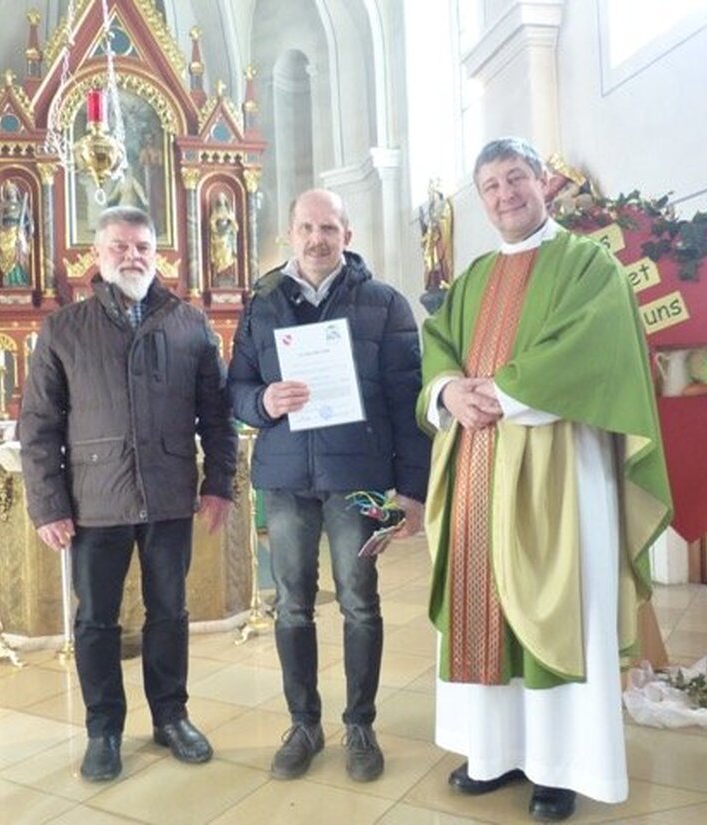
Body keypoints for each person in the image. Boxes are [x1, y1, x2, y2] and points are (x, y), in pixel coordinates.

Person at [417, 137, 672, 822]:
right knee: (484, 604)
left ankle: (561, 766)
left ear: (543, 183)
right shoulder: (471, 277)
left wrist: (500, 391)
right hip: (476, 461)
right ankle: (491, 751)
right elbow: (437, 343)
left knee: (556, 603)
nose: (504, 194)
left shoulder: (589, 263)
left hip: (560, 464)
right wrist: (448, 392)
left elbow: (595, 344)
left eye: (515, 178)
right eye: (490, 185)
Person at [20, 205, 237, 783]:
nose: (132, 256)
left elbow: (216, 418)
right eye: (119, 246)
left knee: (170, 611)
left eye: (142, 246)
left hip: (168, 495)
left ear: (156, 252)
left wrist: (219, 483)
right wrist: (48, 504)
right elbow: (37, 426)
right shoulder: (63, 329)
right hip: (94, 501)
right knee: (96, 620)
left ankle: (171, 716)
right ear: (98, 254)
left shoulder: (189, 323)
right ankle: (103, 729)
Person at [228, 189, 431, 784]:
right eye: (306, 228)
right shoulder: (261, 303)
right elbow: (236, 387)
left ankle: (360, 724)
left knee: (360, 602)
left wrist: (411, 493)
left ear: (347, 232)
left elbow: (408, 401)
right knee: (291, 604)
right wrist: (262, 401)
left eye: (329, 228)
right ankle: (304, 723)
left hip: (360, 481)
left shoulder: (385, 304)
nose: (317, 238)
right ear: (290, 234)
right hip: (287, 480)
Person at [0, 180, 33, 287]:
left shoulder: (21, 206)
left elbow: (30, 221)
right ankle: (9, 281)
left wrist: (26, 231)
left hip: (18, 233)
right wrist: (2, 231)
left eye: (12, 189)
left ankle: (21, 279)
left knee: (19, 254)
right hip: (6, 234)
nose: (11, 192)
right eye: (8, 190)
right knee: (8, 254)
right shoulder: (3, 205)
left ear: (16, 191)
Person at [208, 192, 239, 286]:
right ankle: (220, 273)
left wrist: (230, 220)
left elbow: (235, 226)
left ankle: (227, 273)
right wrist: (215, 225)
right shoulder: (216, 211)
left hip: (227, 235)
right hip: (218, 235)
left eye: (222, 198)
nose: (221, 199)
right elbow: (212, 222)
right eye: (219, 198)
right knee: (219, 256)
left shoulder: (229, 211)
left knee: (227, 255)